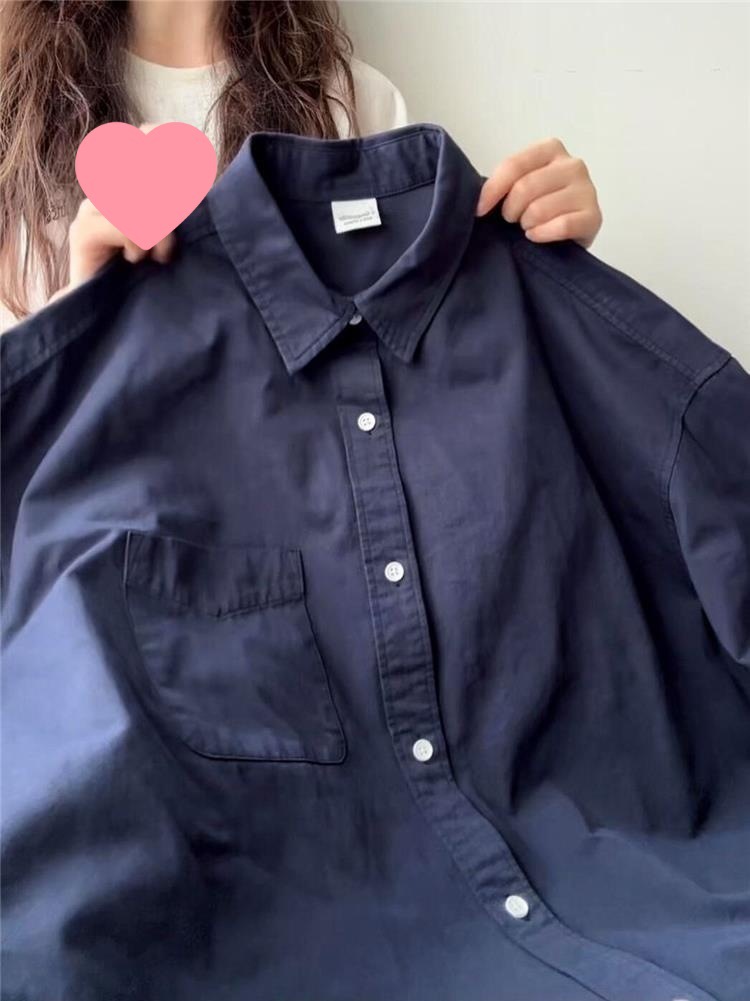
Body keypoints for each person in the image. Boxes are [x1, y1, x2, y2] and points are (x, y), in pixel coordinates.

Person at [0, 0, 602, 335]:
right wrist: (75, 323)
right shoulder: (16, 117)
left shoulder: (352, 103)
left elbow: (426, 358)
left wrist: (543, 260)